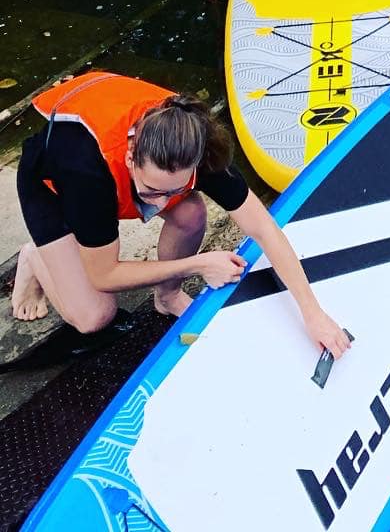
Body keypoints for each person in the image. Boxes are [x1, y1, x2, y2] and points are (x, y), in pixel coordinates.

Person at [10, 70, 350, 361]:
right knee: (94, 316)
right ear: (131, 157)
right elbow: (104, 275)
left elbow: (264, 228)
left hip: (114, 160)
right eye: (152, 191)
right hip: (51, 186)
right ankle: (37, 258)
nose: (158, 205)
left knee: (189, 212)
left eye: (175, 188)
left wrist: (312, 312)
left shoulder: (195, 143)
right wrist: (197, 265)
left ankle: (167, 296)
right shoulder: (87, 175)